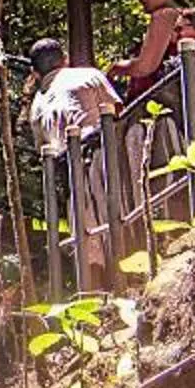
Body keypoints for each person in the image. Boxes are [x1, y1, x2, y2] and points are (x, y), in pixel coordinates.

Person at [26, 34, 126, 283]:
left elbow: (42, 147)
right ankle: (129, 276)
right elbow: (117, 112)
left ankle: (95, 291)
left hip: (67, 170)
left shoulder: (36, 106)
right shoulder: (87, 75)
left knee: (85, 235)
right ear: (65, 59)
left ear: (35, 73)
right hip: (103, 156)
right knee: (117, 217)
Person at [113, 0, 195, 103]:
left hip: (158, 105)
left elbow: (145, 66)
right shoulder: (186, 18)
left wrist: (115, 69)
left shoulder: (164, 15)